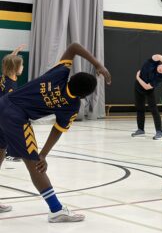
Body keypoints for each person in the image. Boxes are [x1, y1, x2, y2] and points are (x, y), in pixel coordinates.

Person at [0, 43, 111, 222]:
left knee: (0, 151)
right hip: (16, 116)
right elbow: (57, 130)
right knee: (35, 164)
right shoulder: (73, 106)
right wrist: (42, 155)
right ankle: (56, 210)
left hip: (3, 104)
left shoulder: (59, 74)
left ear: (72, 77)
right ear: (84, 96)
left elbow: (74, 46)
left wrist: (98, 64)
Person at [0, 44, 25, 213]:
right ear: (16, 68)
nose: (23, 67)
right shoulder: (9, 86)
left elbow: (8, 62)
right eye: (21, 65)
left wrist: (15, 53)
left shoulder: (5, 76)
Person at [131, 54, 162, 140]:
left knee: (154, 109)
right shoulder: (152, 63)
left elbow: (147, 87)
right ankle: (140, 129)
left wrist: (138, 78)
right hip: (137, 88)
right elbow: (158, 56)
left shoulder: (159, 78)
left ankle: (159, 132)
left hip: (147, 90)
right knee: (139, 108)